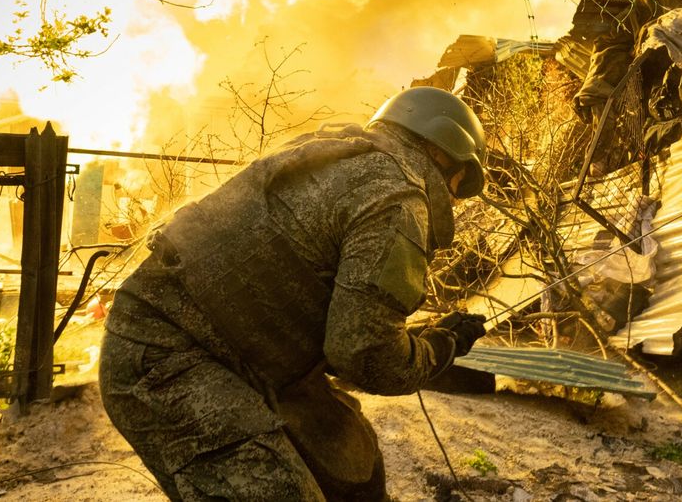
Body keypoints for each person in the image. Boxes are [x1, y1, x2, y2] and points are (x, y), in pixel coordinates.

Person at [98, 86, 490, 501]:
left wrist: (422, 335)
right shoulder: (398, 197)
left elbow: (338, 318)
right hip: (166, 355)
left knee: (352, 467)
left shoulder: (343, 157)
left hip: (246, 355)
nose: (453, 199)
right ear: (449, 162)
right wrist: (440, 348)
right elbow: (365, 355)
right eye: (459, 187)